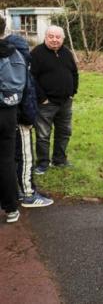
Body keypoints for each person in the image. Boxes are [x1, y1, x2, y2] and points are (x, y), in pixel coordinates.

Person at [0, 17, 53, 208]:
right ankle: (28, 194)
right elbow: (25, 89)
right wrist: (28, 116)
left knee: (9, 158)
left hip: (11, 112)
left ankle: (14, 194)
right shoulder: (17, 54)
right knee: (24, 155)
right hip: (17, 114)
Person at [30, 26, 79, 174]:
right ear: (45, 37)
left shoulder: (66, 52)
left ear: (62, 39)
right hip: (46, 103)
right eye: (51, 36)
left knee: (64, 132)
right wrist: (42, 98)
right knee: (43, 135)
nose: (54, 39)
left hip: (65, 102)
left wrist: (72, 92)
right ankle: (43, 164)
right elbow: (31, 78)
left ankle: (60, 160)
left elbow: (74, 73)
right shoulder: (37, 53)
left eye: (58, 37)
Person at [0, 34, 26, 223]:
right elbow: (19, 84)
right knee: (6, 161)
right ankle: (10, 208)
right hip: (8, 113)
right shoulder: (15, 53)